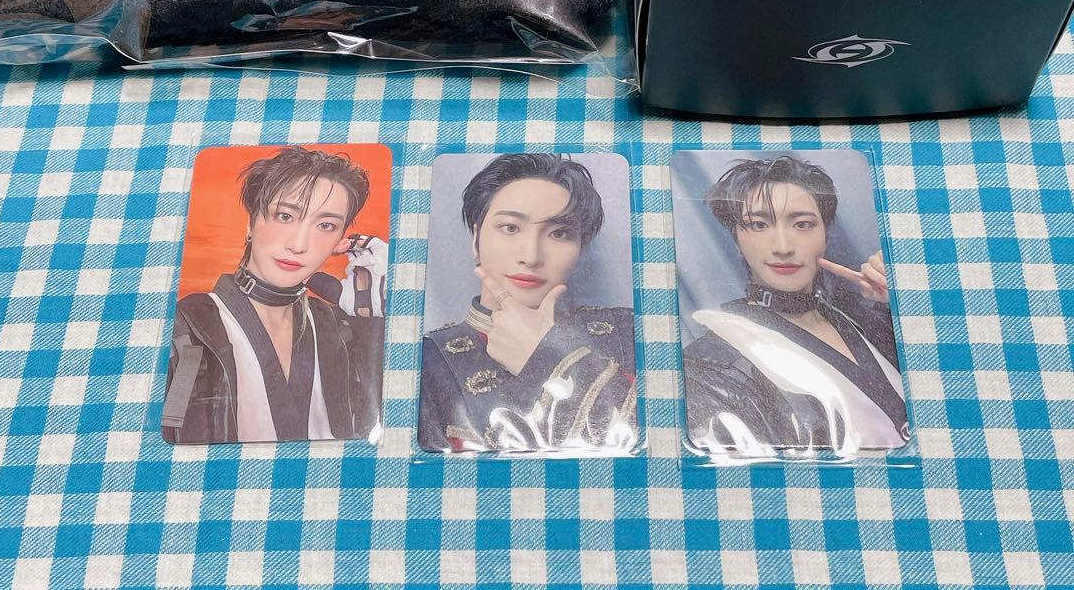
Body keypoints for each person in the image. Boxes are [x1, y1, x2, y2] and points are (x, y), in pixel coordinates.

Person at [682, 154, 908, 456]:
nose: (783, 247)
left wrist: (906, 306)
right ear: (737, 242)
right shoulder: (710, 365)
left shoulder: (869, 320)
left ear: (825, 237)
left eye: (802, 224)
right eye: (758, 225)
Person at [162, 146, 385, 444]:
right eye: (285, 215)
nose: (299, 244)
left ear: (341, 239)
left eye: (326, 225)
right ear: (250, 223)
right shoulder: (184, 326)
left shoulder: (337, 325)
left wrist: (373, 323)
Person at [418, 153, 637, 453]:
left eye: (559, 233)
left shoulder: (627, 333)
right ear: (476, 240)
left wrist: (549, 357)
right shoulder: (428, 360)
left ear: (580, 248)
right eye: (510, 228)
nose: (531, 256)